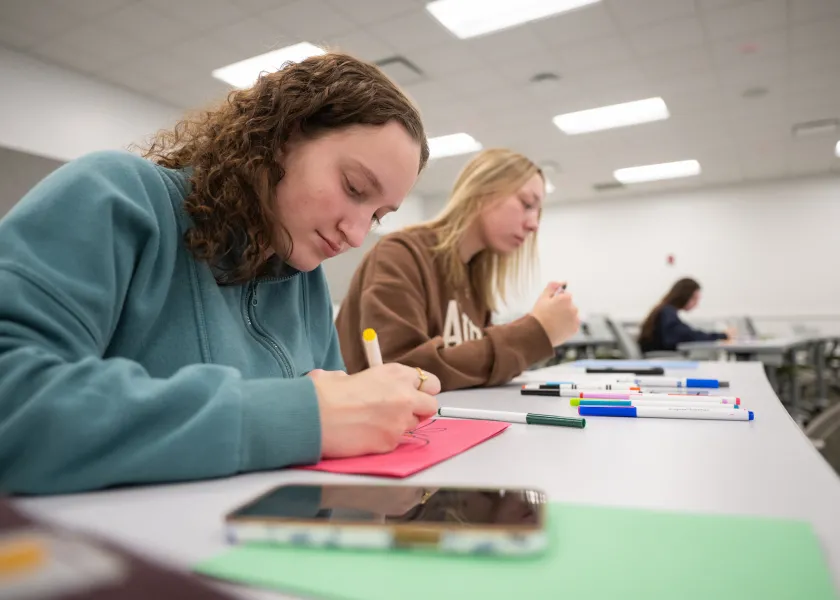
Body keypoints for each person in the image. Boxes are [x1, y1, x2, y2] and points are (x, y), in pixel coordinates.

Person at [0, 52, 442, 495]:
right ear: (284, 135)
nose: (357, 233)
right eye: (354, 188)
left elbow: (333, 432)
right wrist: (302, 416)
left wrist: (371, 412)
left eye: (378, 216)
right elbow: (14, 402)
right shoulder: (116, 196)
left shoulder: (304, 279)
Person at [335, 148, 580, 391]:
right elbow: (404, 372)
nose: (534, 224)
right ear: (482, 191)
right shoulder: (400, 254)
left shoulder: (476, 279)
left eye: (538, 212)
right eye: (527, 204)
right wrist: (535, 333)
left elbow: (470, 374)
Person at [638, 277, 730, 353]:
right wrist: (721, 336)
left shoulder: (666, 311)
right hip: (662, 357)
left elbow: (686, 333)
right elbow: (687, 335)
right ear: (684, 296)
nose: (696, 304)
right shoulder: (667, 312)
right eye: (694, 299)